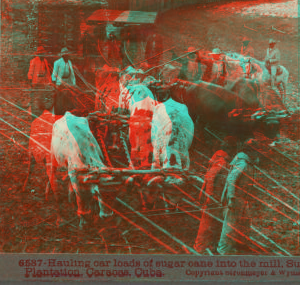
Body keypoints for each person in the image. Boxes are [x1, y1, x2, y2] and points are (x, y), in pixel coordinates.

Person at [194, 136, 238, 254]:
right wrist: (210, 196)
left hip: (216, 198)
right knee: (207, 224)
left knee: (212, 224)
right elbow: (211, 179)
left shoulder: (220, 160)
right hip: (213, 198)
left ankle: (207, 246)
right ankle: (201, 247)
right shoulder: (221, 162)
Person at [217, 139, 259, 255]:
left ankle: (240, 245)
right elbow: (231, 180)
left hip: (243, 199)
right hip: (235, 199)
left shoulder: (248, 162)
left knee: (245, 223)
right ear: (249, 151)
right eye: (255, 151)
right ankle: (223, 251)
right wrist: (231, 198)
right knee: (229, 226)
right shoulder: (243, 163)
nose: (257, 153)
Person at [27, 46, 52, 119]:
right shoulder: (33, 61)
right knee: (35, 99)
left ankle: (40, 114)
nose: (42, 55)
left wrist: (49, 82)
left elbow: (47, 72)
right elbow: (30, 73)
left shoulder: (45, 61)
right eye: (40, 54)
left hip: (43, 83)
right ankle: (33, 115)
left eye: (43, 54)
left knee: (42, 98)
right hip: (36, 83)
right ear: (38, 54)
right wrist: (31, 83)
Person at [52, 47, 76, 115]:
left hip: (68, 82)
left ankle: (67, 113)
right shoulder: (57, 62)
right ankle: (59, 113)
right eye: (65, 55)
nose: (66, 56)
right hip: (60, 83)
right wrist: (54, 85)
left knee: (68, 98)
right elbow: (54, 74)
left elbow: (72, 74)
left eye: (67, 55)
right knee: (59, 99)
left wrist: (73, 84)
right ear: (62, 55)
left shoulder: (69, 62)